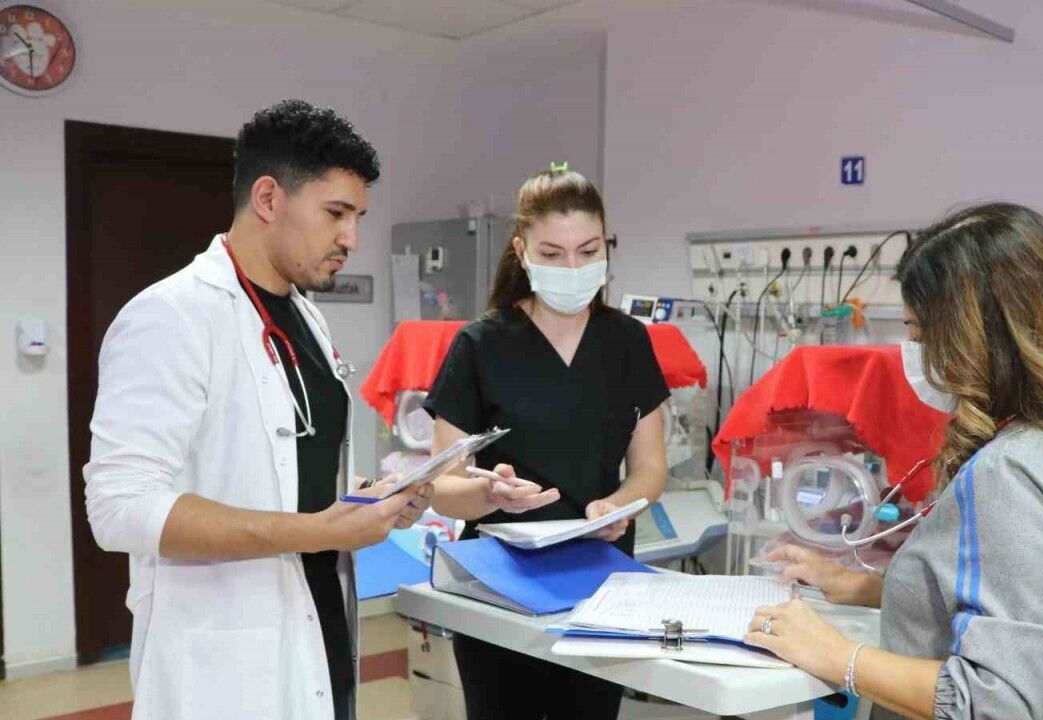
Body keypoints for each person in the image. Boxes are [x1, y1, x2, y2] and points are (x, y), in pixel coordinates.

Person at [84, 99, 430, 720]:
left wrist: (371, 500)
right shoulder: (171, 316)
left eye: (358, 217)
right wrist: (321, 531)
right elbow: (118, 506)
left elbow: (288, 472)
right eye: (336, 213)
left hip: (321, 626)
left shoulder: (306, 317)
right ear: (268, 198)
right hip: (227, 662)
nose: (351, 239)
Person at [743, 203, 1043, 720]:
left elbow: (994, 702)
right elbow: (1031, 608)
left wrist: (836, 655)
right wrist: (865, 588)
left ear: (972, 335)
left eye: (918, 332)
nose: (913, 351)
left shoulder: (1012, 474)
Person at [426, 166, 670, 720]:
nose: (573, 269)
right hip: (498, 586)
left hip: (601, 585)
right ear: (522, 251)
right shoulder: (480, 346)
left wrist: (620, 504)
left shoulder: (627, 342)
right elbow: (442, 486)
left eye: (588, 251)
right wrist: (489, 494)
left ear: (606, 246)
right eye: (553, 254)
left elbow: (650, 467)